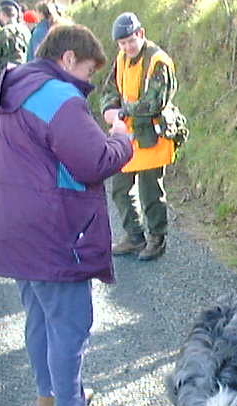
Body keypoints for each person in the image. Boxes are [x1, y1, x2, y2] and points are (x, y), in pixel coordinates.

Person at [0, 24, 133, 406]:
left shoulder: (8, 88)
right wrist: (122, 140)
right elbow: (94, 161)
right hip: (50, 229)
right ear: (68, 59)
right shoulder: (58, 96)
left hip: (10, 224)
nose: (87, 83)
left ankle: (49, 395)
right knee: (71, 322)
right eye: (87, 72)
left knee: (40, 316)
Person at [100, 12, 178, 261]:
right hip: (128, 135)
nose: (127, 47)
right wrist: (108, 109)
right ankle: (134, 237)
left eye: (130, 41)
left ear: (141, 34)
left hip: (153, 136)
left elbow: (155, 102)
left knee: (150, 192)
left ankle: (157, 238)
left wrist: (121, 112)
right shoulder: (121, 58)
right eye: (122, 43)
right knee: (120, 189)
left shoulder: (158, 61)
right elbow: (110, 88)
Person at [0, 2, 30, 91]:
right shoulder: (25, 30)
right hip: (25, 72)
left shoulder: (4, 32)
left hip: (8, 74)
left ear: (3, 14)